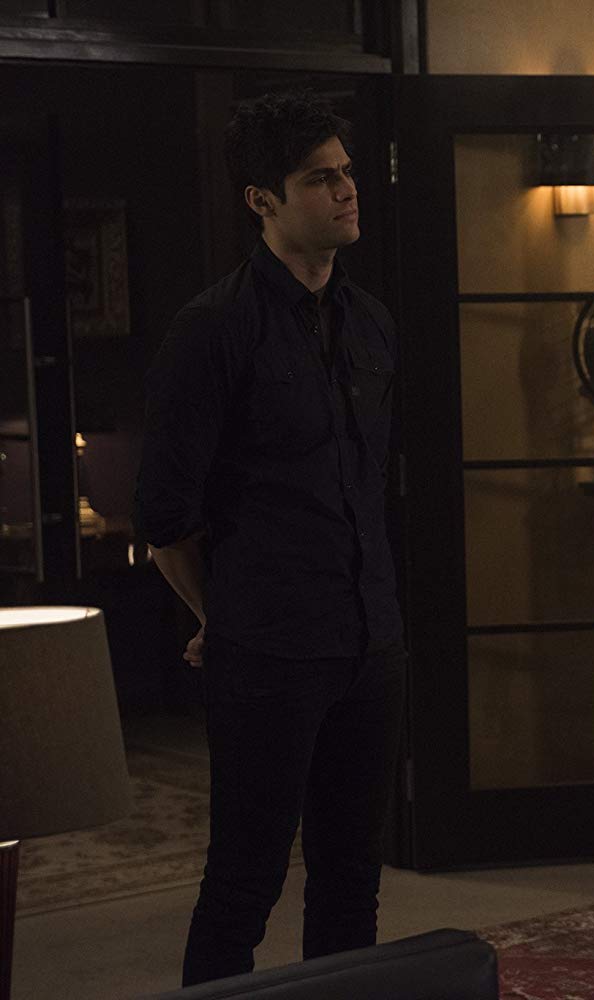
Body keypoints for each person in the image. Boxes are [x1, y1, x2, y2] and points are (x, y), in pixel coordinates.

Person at [136, 91, 406, 986]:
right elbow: (164, 516)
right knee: (244, 884)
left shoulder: (370, 322)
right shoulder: (214, 329)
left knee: (352, 881)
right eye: (320, 178)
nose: (347, 190)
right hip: (270, 652)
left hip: (369, 642)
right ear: (263, 200)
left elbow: (371, 486)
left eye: (347, 171)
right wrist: (224, 617)